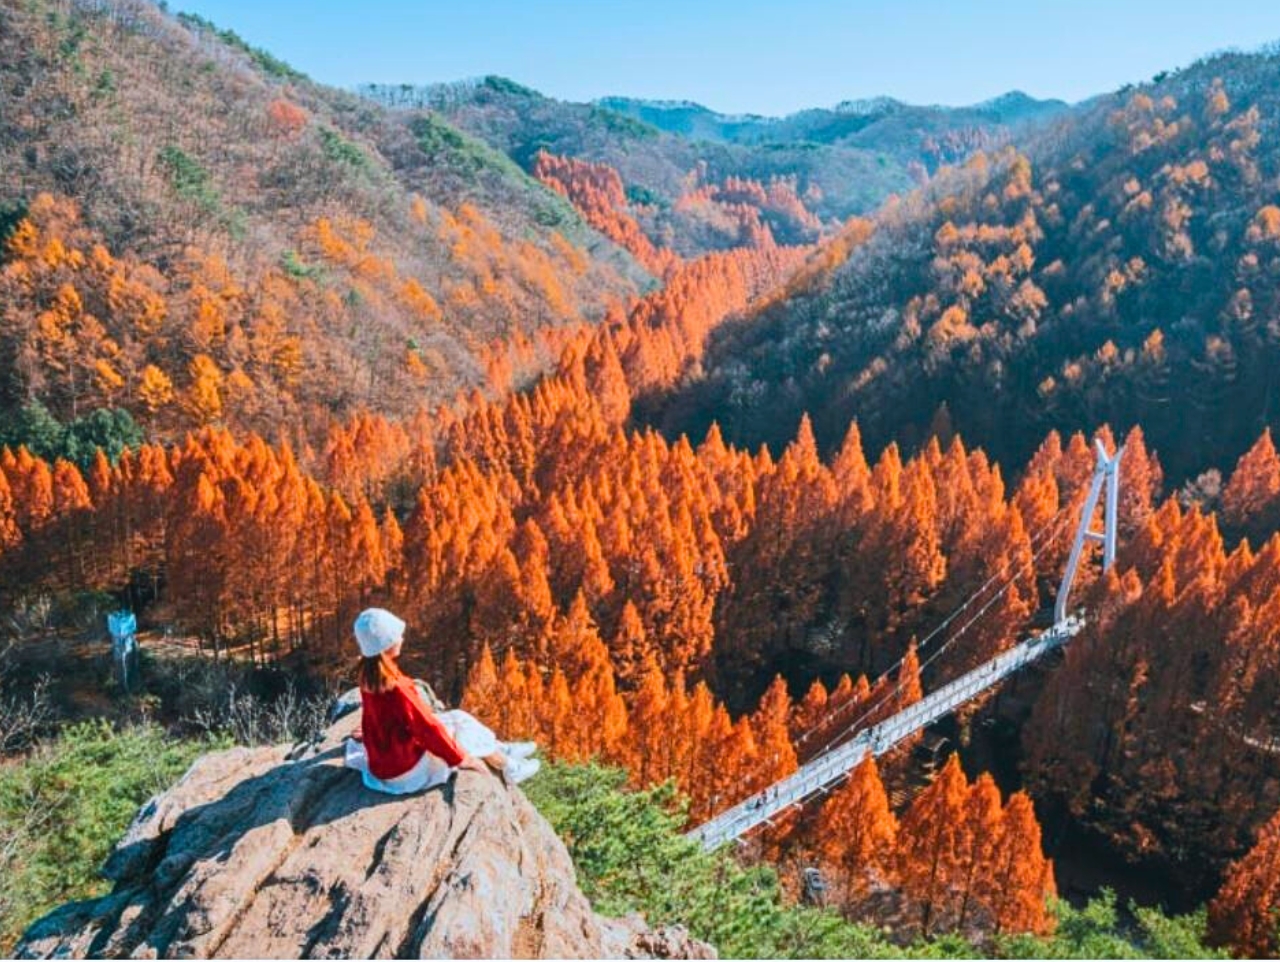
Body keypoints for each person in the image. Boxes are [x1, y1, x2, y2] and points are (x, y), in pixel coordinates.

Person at [343, 608, 539, 795]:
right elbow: (426, 728)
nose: (401, 639)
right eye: (396, 636)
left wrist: (371, 734)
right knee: (461, 728)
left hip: (385, 761)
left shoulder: (368, 676)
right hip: (407, 771)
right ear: (386, 644)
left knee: (457, 718)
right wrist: (460, 759)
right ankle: (509, 767)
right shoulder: (397, 687)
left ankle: (504, 749)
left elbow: (376, 715)